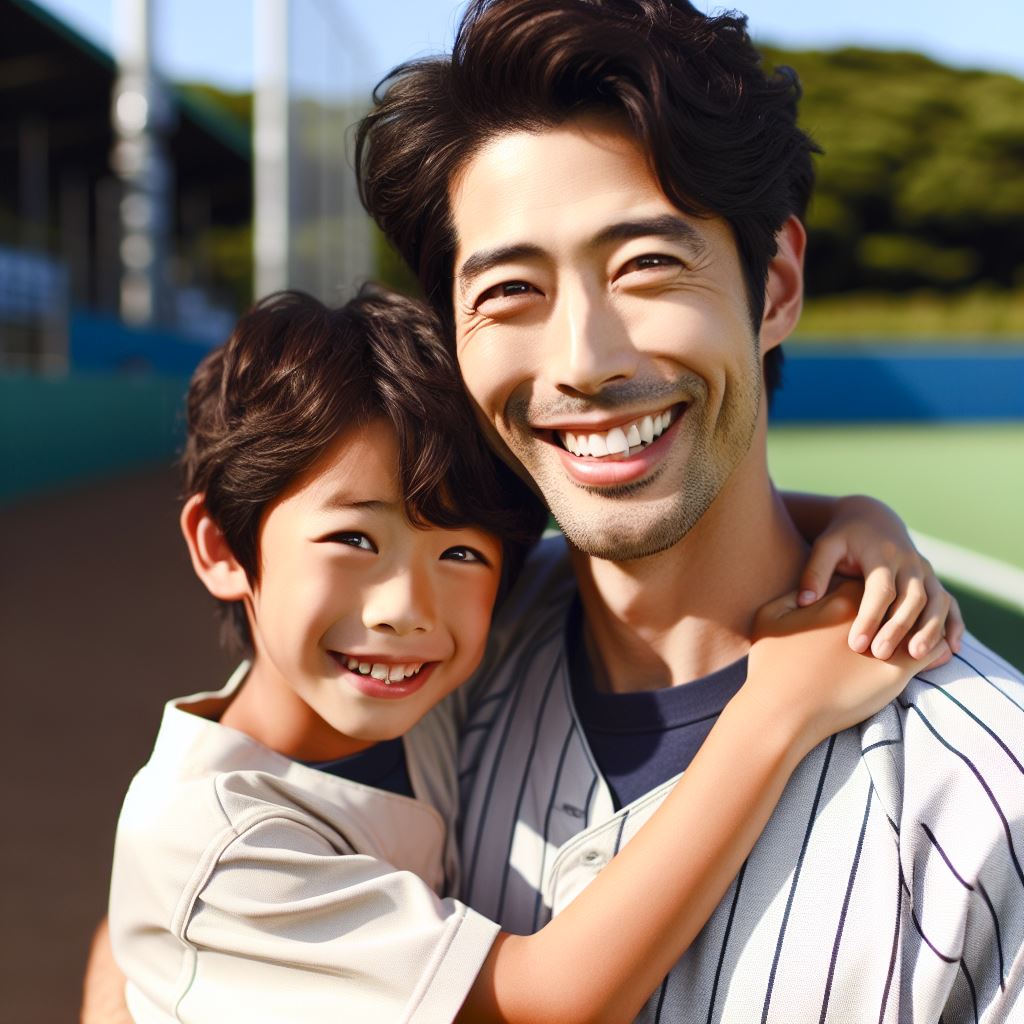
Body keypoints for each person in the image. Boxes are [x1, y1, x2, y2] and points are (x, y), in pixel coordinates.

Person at [351, 1, 1024, 1020]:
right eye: (510, 290)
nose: (583, 360)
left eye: (647, 265)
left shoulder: (986, 799)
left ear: (776, 284)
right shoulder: (423, 661)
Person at [104, 287, 947, 1024]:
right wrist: (774, 713)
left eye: (461, 553)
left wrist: (857, 518)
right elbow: (543, 1007)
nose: (405, 609)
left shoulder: (452, 651)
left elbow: (653, 545)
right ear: (221, 547)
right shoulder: (213, 843)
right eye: (353, 537)